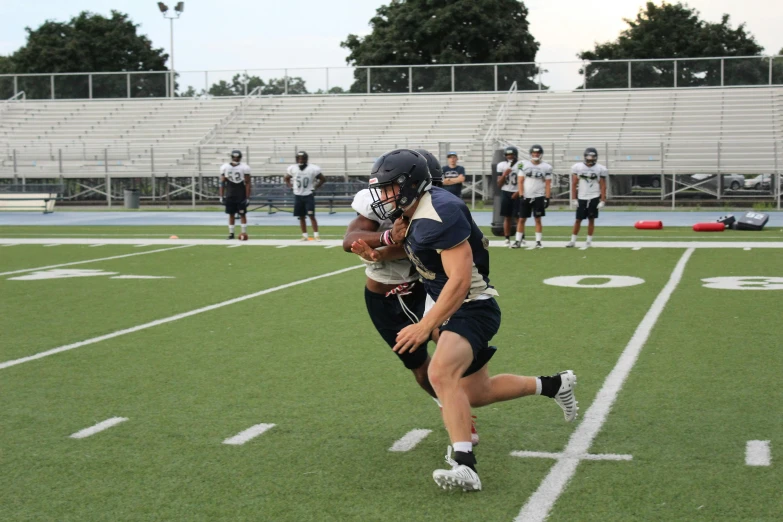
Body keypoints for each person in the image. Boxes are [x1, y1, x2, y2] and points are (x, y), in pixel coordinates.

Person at [359, 149, 577, 492]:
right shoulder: (417, 208)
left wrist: (425, 323)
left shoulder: (440, 211)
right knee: (476, 392)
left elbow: (460, 282)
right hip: (453, 304)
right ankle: (553, 385)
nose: (383, 196)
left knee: (440, 372)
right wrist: (380, 252)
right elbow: (419, 248)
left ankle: (465, 465)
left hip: (472, 305)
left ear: (410, 185)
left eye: (389, 188)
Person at [345, 150, 480, 445]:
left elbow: (420, 247)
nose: (386, 193)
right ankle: (449, 404)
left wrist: (384, 250)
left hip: (422, 289)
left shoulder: (435, 208)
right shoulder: (379, 200)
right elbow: (349, 240)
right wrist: (385, 239)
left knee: (449, 349)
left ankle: (467, 400)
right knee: (420, 370)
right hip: (383, 297)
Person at [566, 147, 607, 248]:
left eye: (593, 157)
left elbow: (603, 185)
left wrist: (602, 200)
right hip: (582, 197)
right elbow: (574, 184)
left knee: (591, 219)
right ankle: (573, 240)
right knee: (578, 219)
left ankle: (588, 241)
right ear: (585, 157)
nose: (591, 159)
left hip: (594, 196)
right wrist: (574, 198)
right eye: (589, 156)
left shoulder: (600, 168)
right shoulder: (578, 167)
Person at [513, 144, 552, 249]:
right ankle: (517, 241)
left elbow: (548, 183)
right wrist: (521, 195)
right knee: (521, 219)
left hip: (539, 196)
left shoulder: (546, 167)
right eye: (534, 153)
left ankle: (538, 242)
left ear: (541, 154)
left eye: (538, 153)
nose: (536, 155)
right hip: (526, 196)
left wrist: (547, 197)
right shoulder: (523, 165)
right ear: (531, 154)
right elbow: (520, 181)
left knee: (538, 219)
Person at [285, 151, 325, 241]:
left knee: (311, 215)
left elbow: (323, 179)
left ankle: (316, 235)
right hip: (298, 195)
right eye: (299, 158)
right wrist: (291, 186)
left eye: (302, 158)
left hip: (308, 194)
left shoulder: (313, 168)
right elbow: (286, 178)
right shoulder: (293, 168)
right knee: (301, 216)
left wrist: (315, 187)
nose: (301, 160)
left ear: (306, 159)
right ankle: (305, 235)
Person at [219, 149, 251, 240]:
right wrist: (221, 196)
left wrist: (248, 197)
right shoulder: (225, 167)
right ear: (231, 157)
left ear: (240, 158)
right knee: (231, 214)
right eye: (234, 157)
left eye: (237, 157)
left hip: (240, 193)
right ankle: (231, 234)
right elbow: (222, 183)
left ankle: (244, 233)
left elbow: (248, 183)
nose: (236, 159)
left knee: (242, 214)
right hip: (230, 193)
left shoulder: (244, 167)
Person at [496, 146, 521, 246]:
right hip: (506, 191)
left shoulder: (520, 165)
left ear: (515, 155)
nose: (510, 156)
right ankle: (507, 238)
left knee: (518, 217)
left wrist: (519, 191)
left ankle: (520, 237)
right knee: (507, 216)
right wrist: (505, 174)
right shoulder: (501, 165)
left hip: (517, 192)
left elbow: (523, 180)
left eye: (511, 154)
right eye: (508, 154)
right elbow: (499, 184)